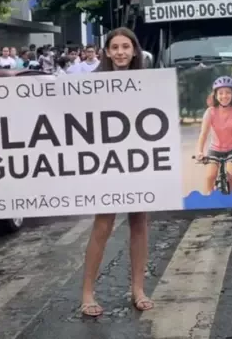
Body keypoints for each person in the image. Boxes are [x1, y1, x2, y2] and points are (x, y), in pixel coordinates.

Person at [81, 27, 153, 317]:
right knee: (103, 225)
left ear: (134, 51)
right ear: (107, 52)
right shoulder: (92, 84)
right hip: (107, 163)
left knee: (139, 223)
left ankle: (138, 289)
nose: (121, 52)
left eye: (126, 47)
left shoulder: (149, 83)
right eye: (115, 47)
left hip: (139, 162)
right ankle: (87, 293)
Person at [195, 76, 232, 193]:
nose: (224, 96)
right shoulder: (210, 111)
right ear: (215, 95)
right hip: (215, 148)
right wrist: (199, 151)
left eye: (228, 92)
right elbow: (204, 133)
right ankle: (210, 204)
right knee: (209, 177)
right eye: (220, 93)